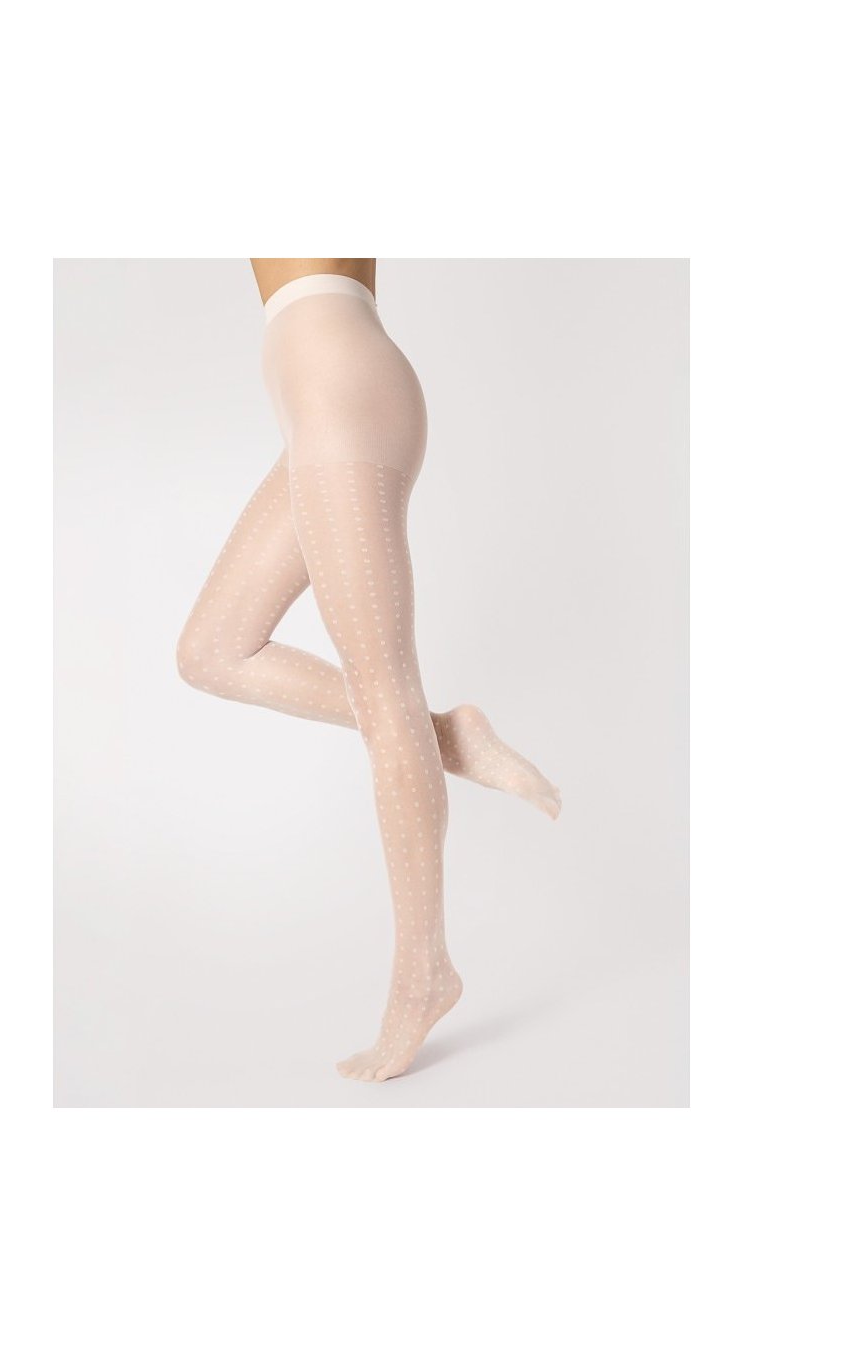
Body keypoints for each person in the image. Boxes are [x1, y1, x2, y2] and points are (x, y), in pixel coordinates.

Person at [177, 258, 560, 1082]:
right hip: (326, 396)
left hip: (338, 394)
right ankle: (449, 735)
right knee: (212, 650)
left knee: (386, 692)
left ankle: (425, 974)